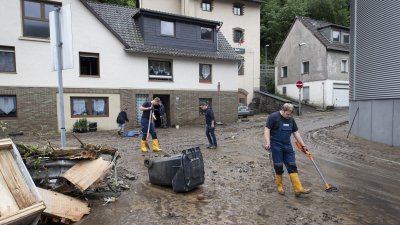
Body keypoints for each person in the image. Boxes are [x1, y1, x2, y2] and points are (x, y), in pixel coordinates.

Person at [264, 103, 311, 197]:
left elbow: (295, 132)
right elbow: (267, 129)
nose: (289, 116)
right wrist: (268, 142)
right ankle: (280, 186)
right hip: (276, 145)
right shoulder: (273, 117)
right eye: (287, 114)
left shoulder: (291, 119)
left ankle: (298, 189)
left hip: (287, 145)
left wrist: (303, 145)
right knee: (278, 166)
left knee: (292, 165)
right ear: (283, 110)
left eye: (290, 114)